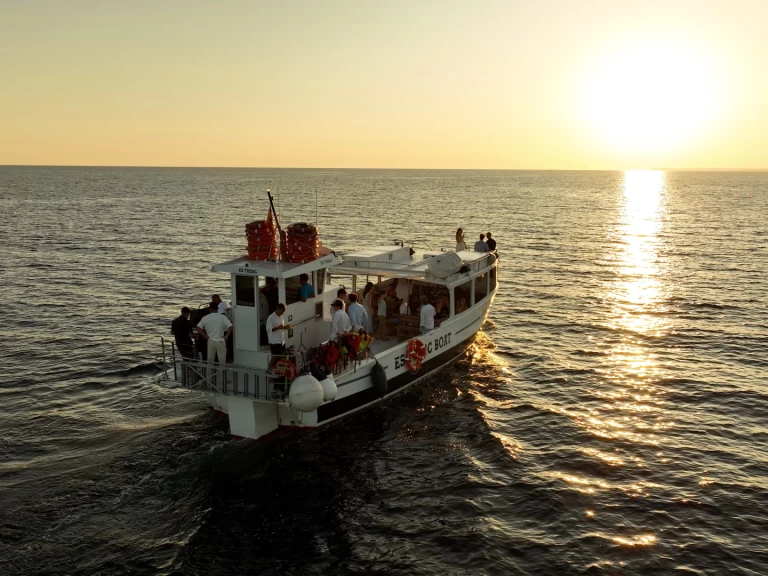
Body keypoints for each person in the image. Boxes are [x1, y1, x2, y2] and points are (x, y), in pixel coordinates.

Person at [196, 302, 233, 385]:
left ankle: (209, 380)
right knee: (222, 362)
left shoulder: (205, 318)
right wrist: (226, 335)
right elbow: (230, 327)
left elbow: (198, 328)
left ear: (209, 308)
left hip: (210, 341)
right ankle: (223, 380)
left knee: (210, 361)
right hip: (220, 341)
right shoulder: (222, 317)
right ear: (217, 308)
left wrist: (205, 336)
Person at [265, 303, 291, 370]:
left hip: (281, 340)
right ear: (278, 309)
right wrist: (278, 327)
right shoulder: (271, 318)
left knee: (280, 357)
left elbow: (281, 327)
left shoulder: (281, 316)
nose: (282, 313)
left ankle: (278, 370)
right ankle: (269, 369)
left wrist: (285, 327)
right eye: (282, 312)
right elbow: (269, 329)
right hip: (274, 341)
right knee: (274, 357)